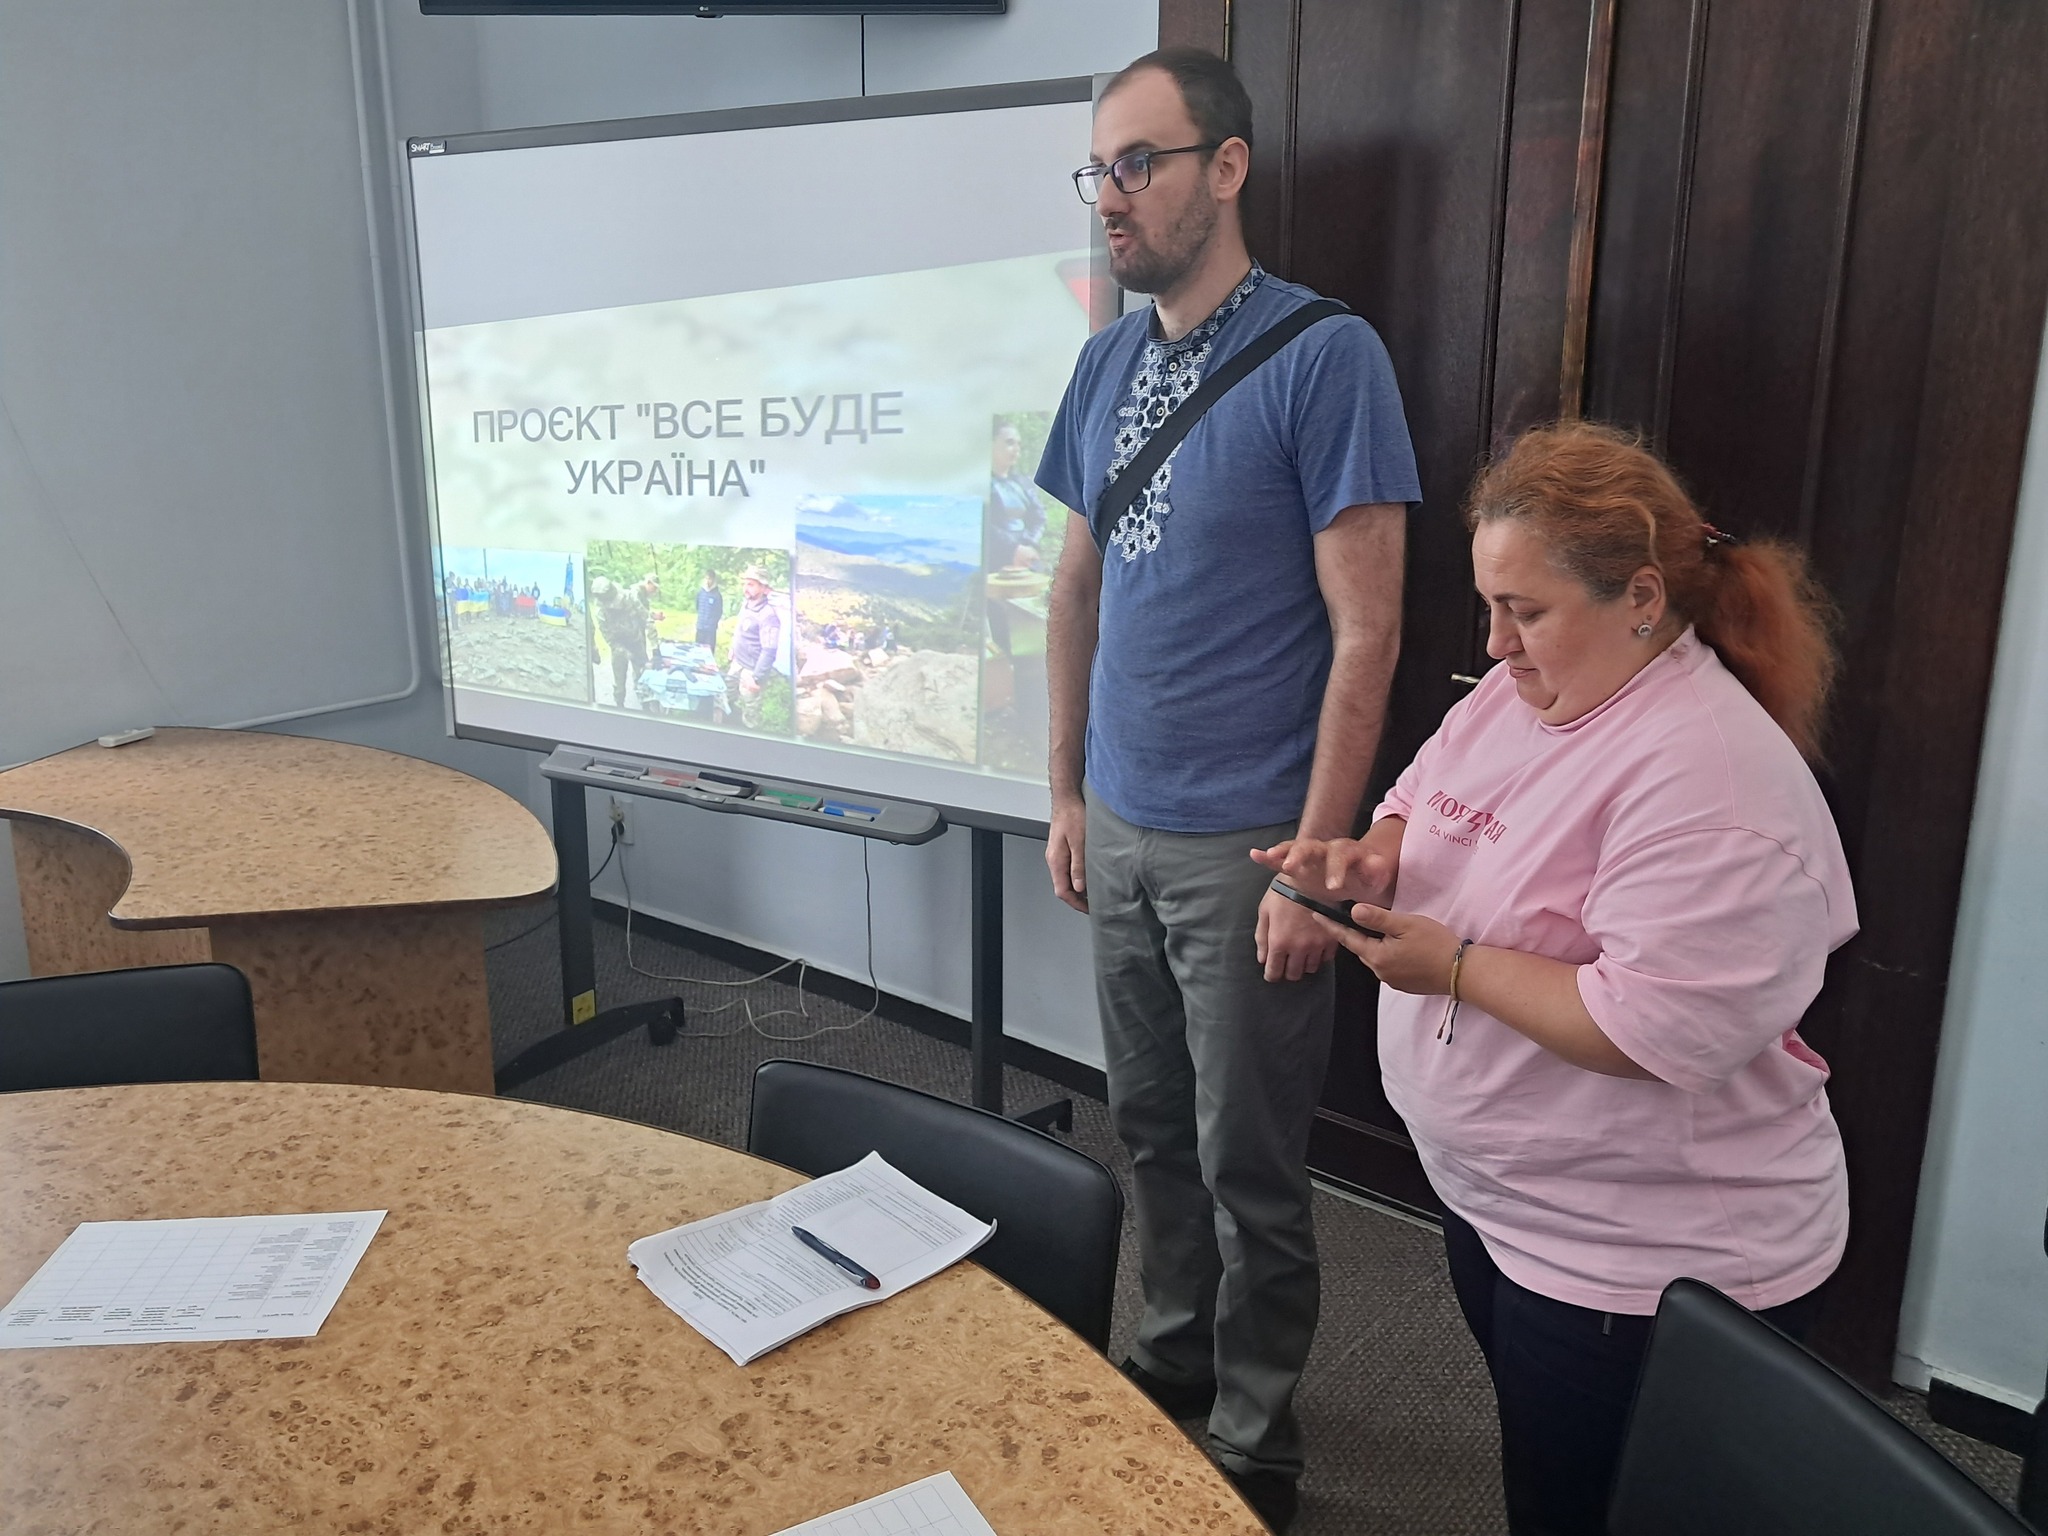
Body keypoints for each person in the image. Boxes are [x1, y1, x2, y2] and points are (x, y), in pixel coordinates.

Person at [1256, 422, 1855, 1535]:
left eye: (1522, 611)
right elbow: (1421, 793)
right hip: (1510, 1204)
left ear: (1639, 598)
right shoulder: (1518, 692)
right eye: (1489, 606)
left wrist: (1453, 967)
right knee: (1548, 1474)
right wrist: (1372, 856)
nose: (1494, 645)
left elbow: (1645, 1029)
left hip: (1649, 1255)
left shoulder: (1711, 785)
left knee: (1583, 1510)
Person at [1036, 47, 1419, 1530]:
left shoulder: (1328, 357)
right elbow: (1074, 588)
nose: (1110, 198)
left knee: (1248, 1160)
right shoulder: (1103, 362)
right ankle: (1173, 1350)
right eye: (1100, 170)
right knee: (1146, 1126)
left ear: (1227, 167)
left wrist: (1317, 862)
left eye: (1138, 164)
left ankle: (1256, 1434)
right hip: (1121, 824)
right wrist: (1066, 792)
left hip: (1249, 846)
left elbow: (1368, 630)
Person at [728, 565, 782, 729]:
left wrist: (756, 678)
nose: (746, 588)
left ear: (764, 588)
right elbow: (739, 628)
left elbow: (769, 651)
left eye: (751, 584)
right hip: (737, 662)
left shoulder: (768, 616)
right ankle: (728, 725)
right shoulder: (746, 604)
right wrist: (732, 647)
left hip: (751, 670)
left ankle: (749, 735)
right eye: (745, 584)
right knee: (728, 695)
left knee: (750, 708)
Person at [591, 572, 657, 708]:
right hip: (619, 648)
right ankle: (619, 706)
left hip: (636, 643)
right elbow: (609, 638)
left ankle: (646, 706)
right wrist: (623, 651)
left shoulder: (630, 597)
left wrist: (654, 645)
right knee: (619, 682)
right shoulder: (601, 613)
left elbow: (646, 617)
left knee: (643, 676)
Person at [696, 569, 724, 649]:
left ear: (713, 580)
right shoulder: (700, 593)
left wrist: (713, 623)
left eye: (710, 579)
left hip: (710, 630)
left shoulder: (717, 595)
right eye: (706, 578)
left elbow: (719, 611)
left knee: (709, 650)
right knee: (697, 649)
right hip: (700, 627)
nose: (708, 581)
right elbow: (697, 606)